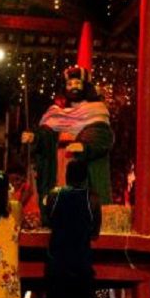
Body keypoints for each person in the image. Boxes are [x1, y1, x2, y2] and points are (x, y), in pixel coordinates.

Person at [45, 157, 107, 298]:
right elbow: (96, 233)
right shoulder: (93, 199)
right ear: (85, 177)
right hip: (81, 259)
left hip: (58, 259)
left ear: (67, 176)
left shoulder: (54, 196)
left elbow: (50, 221)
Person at [23, 66, 114, 204]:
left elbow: (102, 134)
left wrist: (85, 145)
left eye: (77, 83)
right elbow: (48, 133)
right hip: (59, 162)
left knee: (80, 200)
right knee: (58, 196)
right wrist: (36, 137)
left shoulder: (96, 110)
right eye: (69, 84)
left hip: (80, 164)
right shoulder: (57, 112)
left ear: (85, 86)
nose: (73, 87)